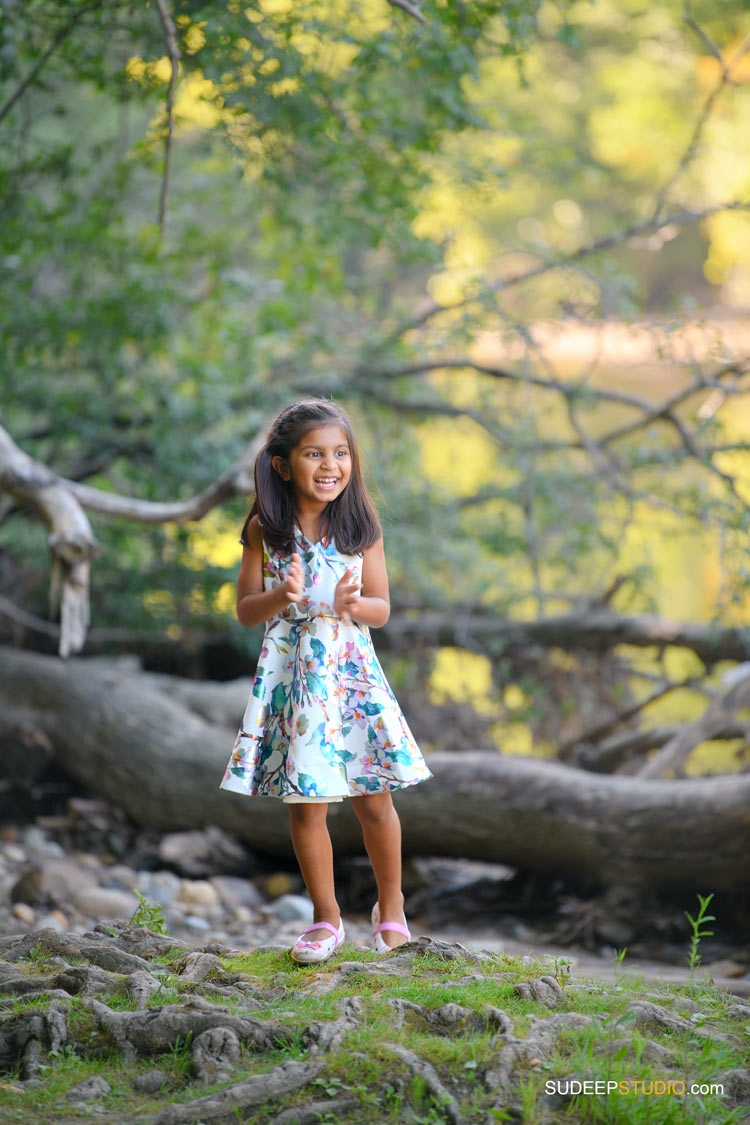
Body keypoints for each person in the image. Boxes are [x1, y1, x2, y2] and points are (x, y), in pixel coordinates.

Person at [220, 399, 432, 964]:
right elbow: (245, 610)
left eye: (340, 453)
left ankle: (391, 907)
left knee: (373, 800)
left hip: (351, 679)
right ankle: (325, 918)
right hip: (294, 679)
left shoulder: (361, 526)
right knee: (305, 805)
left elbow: (383, 608)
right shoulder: (266, 529)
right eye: (314, 453)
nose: (330, 464)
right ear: (284, 465)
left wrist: (355, 604)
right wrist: (278, 597)